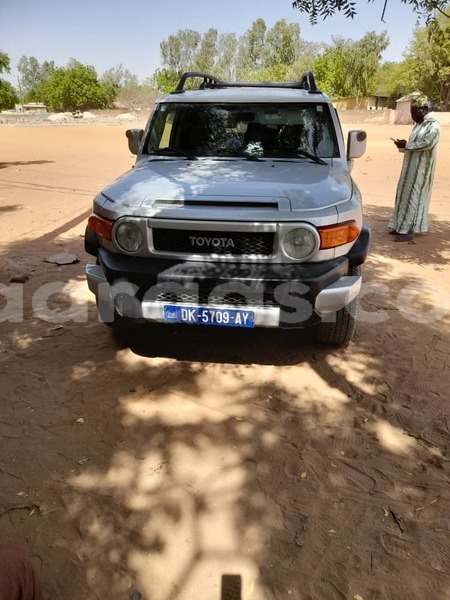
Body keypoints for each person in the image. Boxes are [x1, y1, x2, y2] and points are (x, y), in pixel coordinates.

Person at [389, 95, 440, 242]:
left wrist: (407, 145)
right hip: (409, 168)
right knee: (403, 196)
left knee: (414, 198)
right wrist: (403, 146)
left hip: (421, 171)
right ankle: (399, 226)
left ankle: (408, 230)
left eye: (414, 112)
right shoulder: (418, 125)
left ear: (423, 110)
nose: (412, 116)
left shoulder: (433, 126)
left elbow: (426, 144)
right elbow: (413, 145)